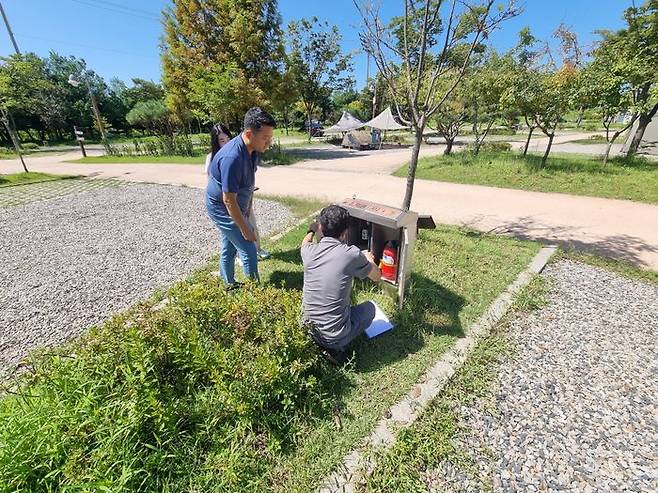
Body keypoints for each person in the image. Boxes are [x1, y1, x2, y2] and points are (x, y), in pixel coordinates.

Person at [301, 205, 381, 364]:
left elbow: (305, 243)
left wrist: (311, 230)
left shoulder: (308, 252)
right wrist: (369, 260)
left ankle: (320, 345)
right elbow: (377, 277)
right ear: (345, 233)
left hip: (308, 329)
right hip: (334, 336)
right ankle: (336, 349)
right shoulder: (351, 254)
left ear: (321, 228)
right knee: (370, 309)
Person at [205, 108, 275, 287]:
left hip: (236, 205)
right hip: (222, 207)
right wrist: (245, 228)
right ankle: (256, 293)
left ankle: (228, 284)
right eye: (265, 138)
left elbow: (247, 182)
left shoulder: (252, 148)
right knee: (249, 247)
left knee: (229, 245)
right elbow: (228, 199)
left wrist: (246, 208)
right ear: (249, 133)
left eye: (270, 137)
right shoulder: (232, 157)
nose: (269, 142)